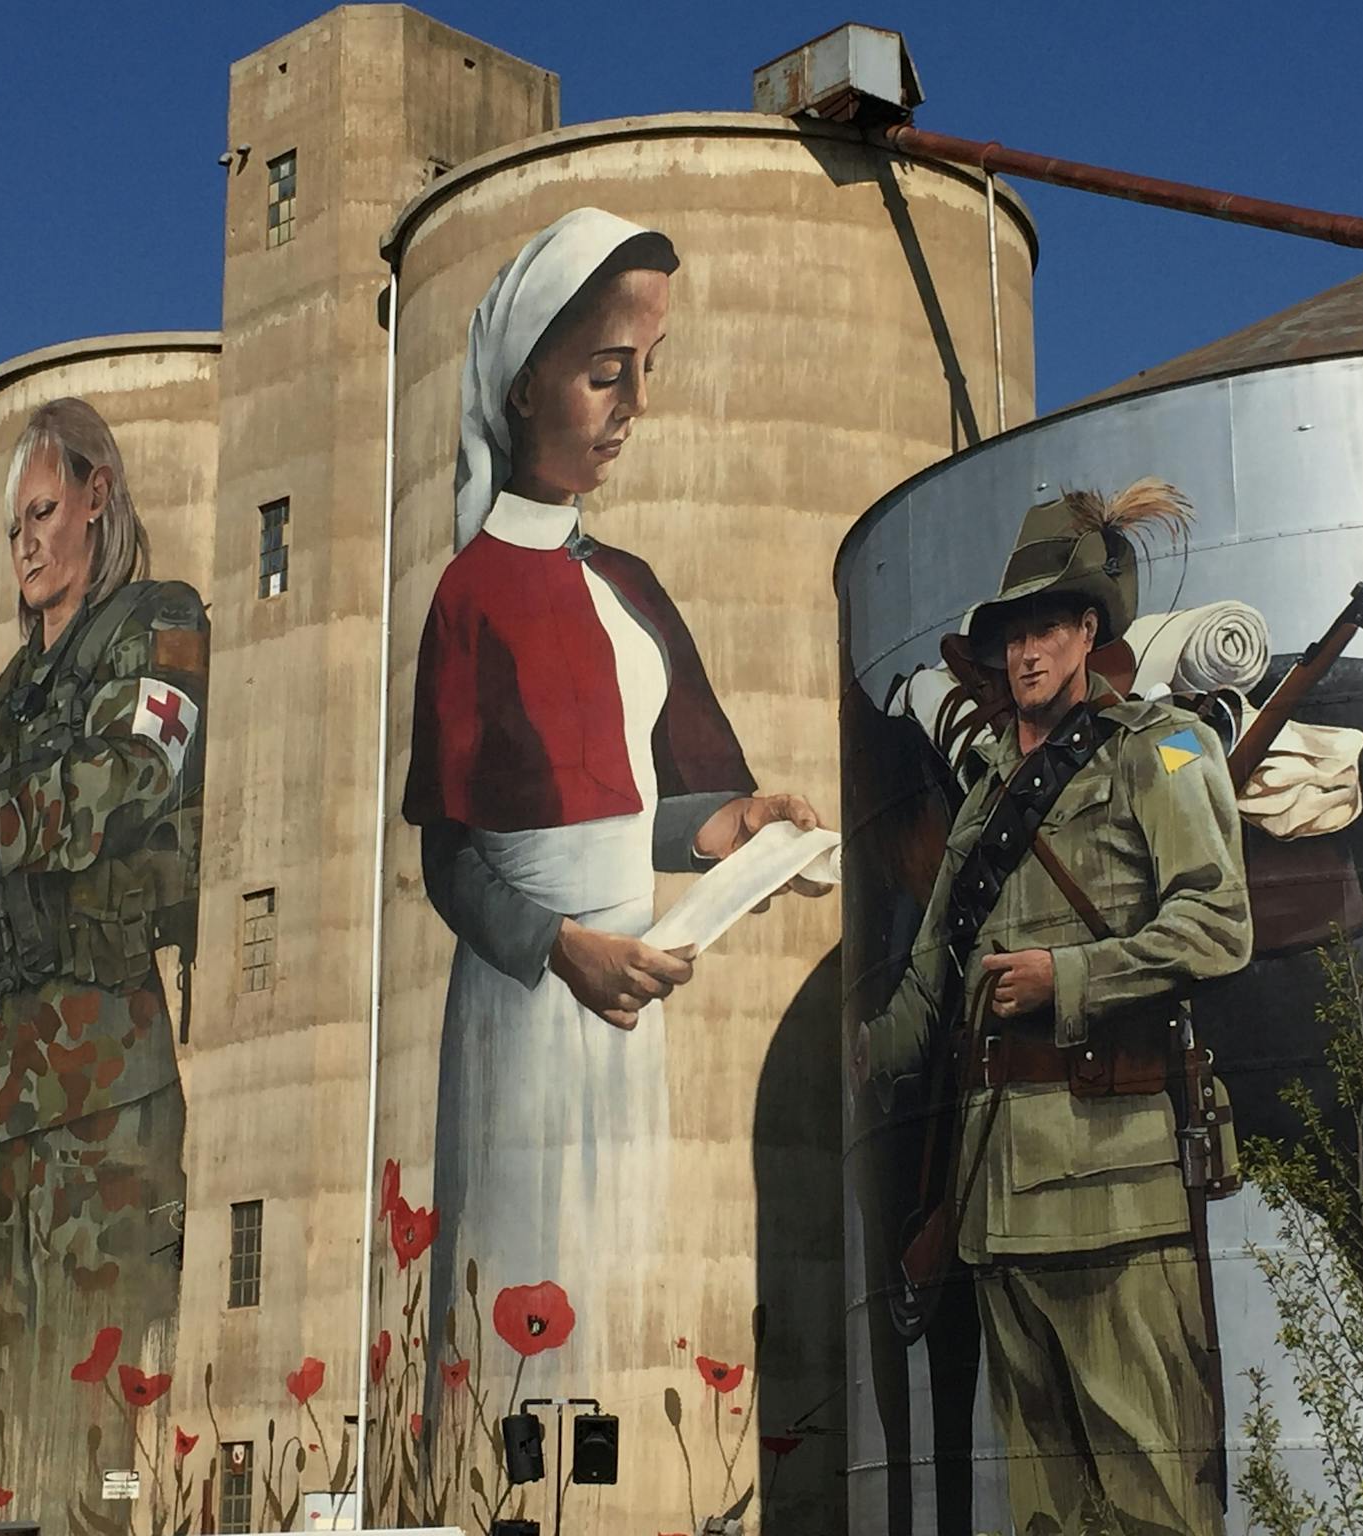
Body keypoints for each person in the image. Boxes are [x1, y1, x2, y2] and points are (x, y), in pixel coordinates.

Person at [401, 207, 819, 1499]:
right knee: (526, 1300)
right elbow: (457, 859)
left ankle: (623, 1505)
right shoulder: (471, 594)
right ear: (526, 382)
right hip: (528, 1013)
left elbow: (627, 809)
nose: (634, 403)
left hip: (632, 990)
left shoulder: (632, 586)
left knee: (623, 1292)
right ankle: (521, 1513)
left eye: (649, 368)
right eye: (604, 372)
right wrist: (560, 949)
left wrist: (728, 827)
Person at [851, 484, 1252, 1536]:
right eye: (1009, 634)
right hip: (1000, 1197)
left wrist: (1064, 981)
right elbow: (932, 976)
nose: (1023, 652)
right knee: (1043, 1515)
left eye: (1043, 627)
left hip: (1115, 1186)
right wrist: (854, 1061)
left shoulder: (1155, 750)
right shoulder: (983, 796)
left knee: (1150, 1500)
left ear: (1086, 631)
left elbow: (1216, 924)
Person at [0, 396, 204, 1512]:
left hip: (103, 1102)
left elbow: (135, 778)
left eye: (44, 511)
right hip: (1, 1113)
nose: (27, 544)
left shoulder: (160, 627)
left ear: (98, 495)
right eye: (11, 528)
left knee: (98, 1448)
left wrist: (3, 829)